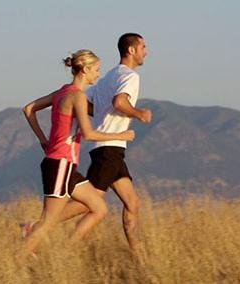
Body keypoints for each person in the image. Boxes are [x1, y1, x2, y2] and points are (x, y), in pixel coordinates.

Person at [52, 33, 152, 267]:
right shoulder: (130, 77)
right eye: (143, 47)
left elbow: (87, 105)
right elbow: (120, 102)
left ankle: (139, 259)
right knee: (92, 202)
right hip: (108, 149)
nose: (146, 51)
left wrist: (99, 119)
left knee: (132, 204)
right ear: (131, 50)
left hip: (111, 149)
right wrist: (139, 114)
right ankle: (41, 230)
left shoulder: (108, 76)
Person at [21, 49, 135, 256]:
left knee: (99, 209)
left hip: (65, 166)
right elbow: (89, 134)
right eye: (97, 70)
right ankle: (15, 262)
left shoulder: (62, 92)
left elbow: (29, 109)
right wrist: (122, 135)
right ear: (85, 69)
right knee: (47, 222)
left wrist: (43, 140)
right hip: (60, 164)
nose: (98, 74)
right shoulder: (77, 96)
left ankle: (63, 254)